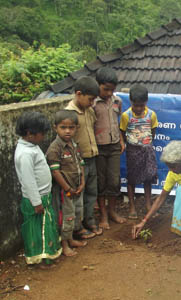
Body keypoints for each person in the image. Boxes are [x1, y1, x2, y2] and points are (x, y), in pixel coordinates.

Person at [14, 111, 62, 266]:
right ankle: (39, 258)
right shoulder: (25, 154)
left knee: (45, 227)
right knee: (37, 230)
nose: (43, 137)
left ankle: (47, 255)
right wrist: (36, 202)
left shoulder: (32, 147)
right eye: (42, 133)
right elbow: (28, 181)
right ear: (30, 133)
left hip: (43, 196)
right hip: (37, 199)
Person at [46, 110, 87, 256]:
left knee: (76, 213)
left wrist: (82, 183)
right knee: (66, 217)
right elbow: (55, 172)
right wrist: (68, 188)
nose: (68, 131)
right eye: (63, 127)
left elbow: (81, 164)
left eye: (71, 127)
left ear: (76, 128)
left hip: (77, 188)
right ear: (55, 127)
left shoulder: (74, 144)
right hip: (65, 191)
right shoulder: (55, 148)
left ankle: (70, 239)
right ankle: (64, 245)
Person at [65, 76, 102, 238]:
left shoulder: (89, 111)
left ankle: (89, 220)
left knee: (92, 192)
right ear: (79, 94)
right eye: (90, 99)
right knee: (78, 195)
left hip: (92, 157)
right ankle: (77, 227)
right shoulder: (69, 114)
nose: (92, 103)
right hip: (77, 162)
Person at [93, 67, 126, 230]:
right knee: (101, 181)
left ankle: (112, 211)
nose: (108, 93)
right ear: (97, 85)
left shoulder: (117, 101)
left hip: (113, 146)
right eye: (105, 89)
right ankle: (103, 215)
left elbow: (117, 123)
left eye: (111, 90)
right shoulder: (92, 104)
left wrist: (121, 140)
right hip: (98, 148)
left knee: (114, 180)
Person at [119, 84, 158, 219]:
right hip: (133, 151)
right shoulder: (126, 116)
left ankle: (148, 205)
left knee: (148, 178)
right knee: (132, 179)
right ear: (131, 102)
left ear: (146, 102)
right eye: (136, 105)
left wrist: (146, 142)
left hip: (147, 150)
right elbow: (122, 131)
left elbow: (152, 131)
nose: (139, 108)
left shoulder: (151, 115)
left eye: (141, 105)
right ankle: (132, 206)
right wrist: (124, 143)